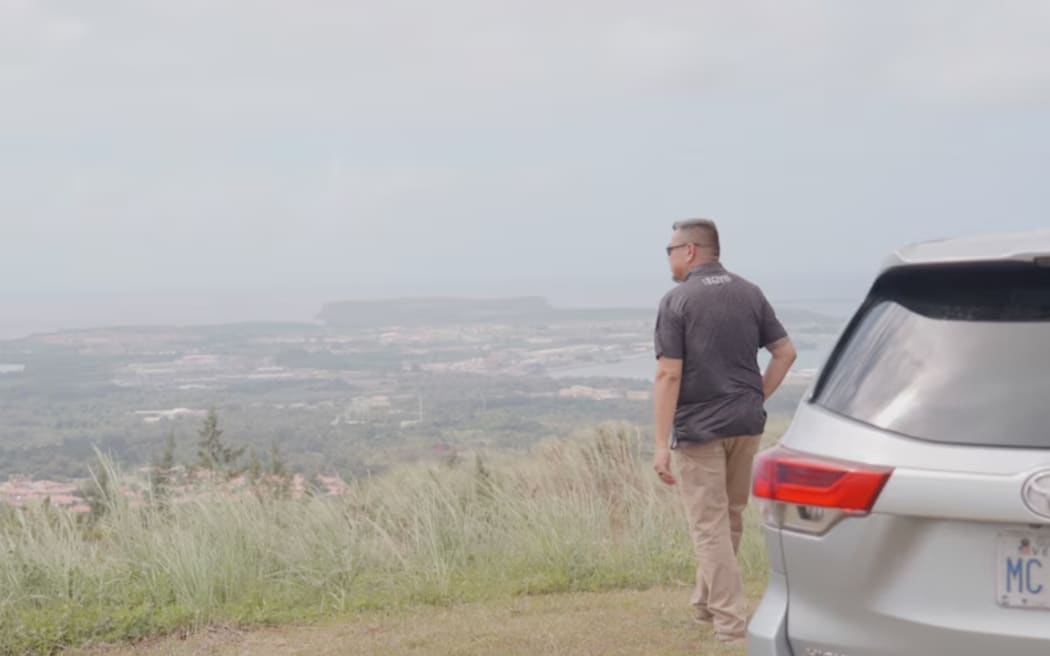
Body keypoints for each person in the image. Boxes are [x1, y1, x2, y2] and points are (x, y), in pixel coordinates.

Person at [652, 218, 797, 644]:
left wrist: (660, 444)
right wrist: (756, 399)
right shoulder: (750, 292)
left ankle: (731, 625)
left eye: (670, 249)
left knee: (709, 526)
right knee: (728, 519)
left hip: (699, 430)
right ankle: (705, 604)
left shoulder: (677, 301)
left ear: (691, 250)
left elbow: (668, 376)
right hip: (746, 425)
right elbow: (785, 353)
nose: (669, 256)